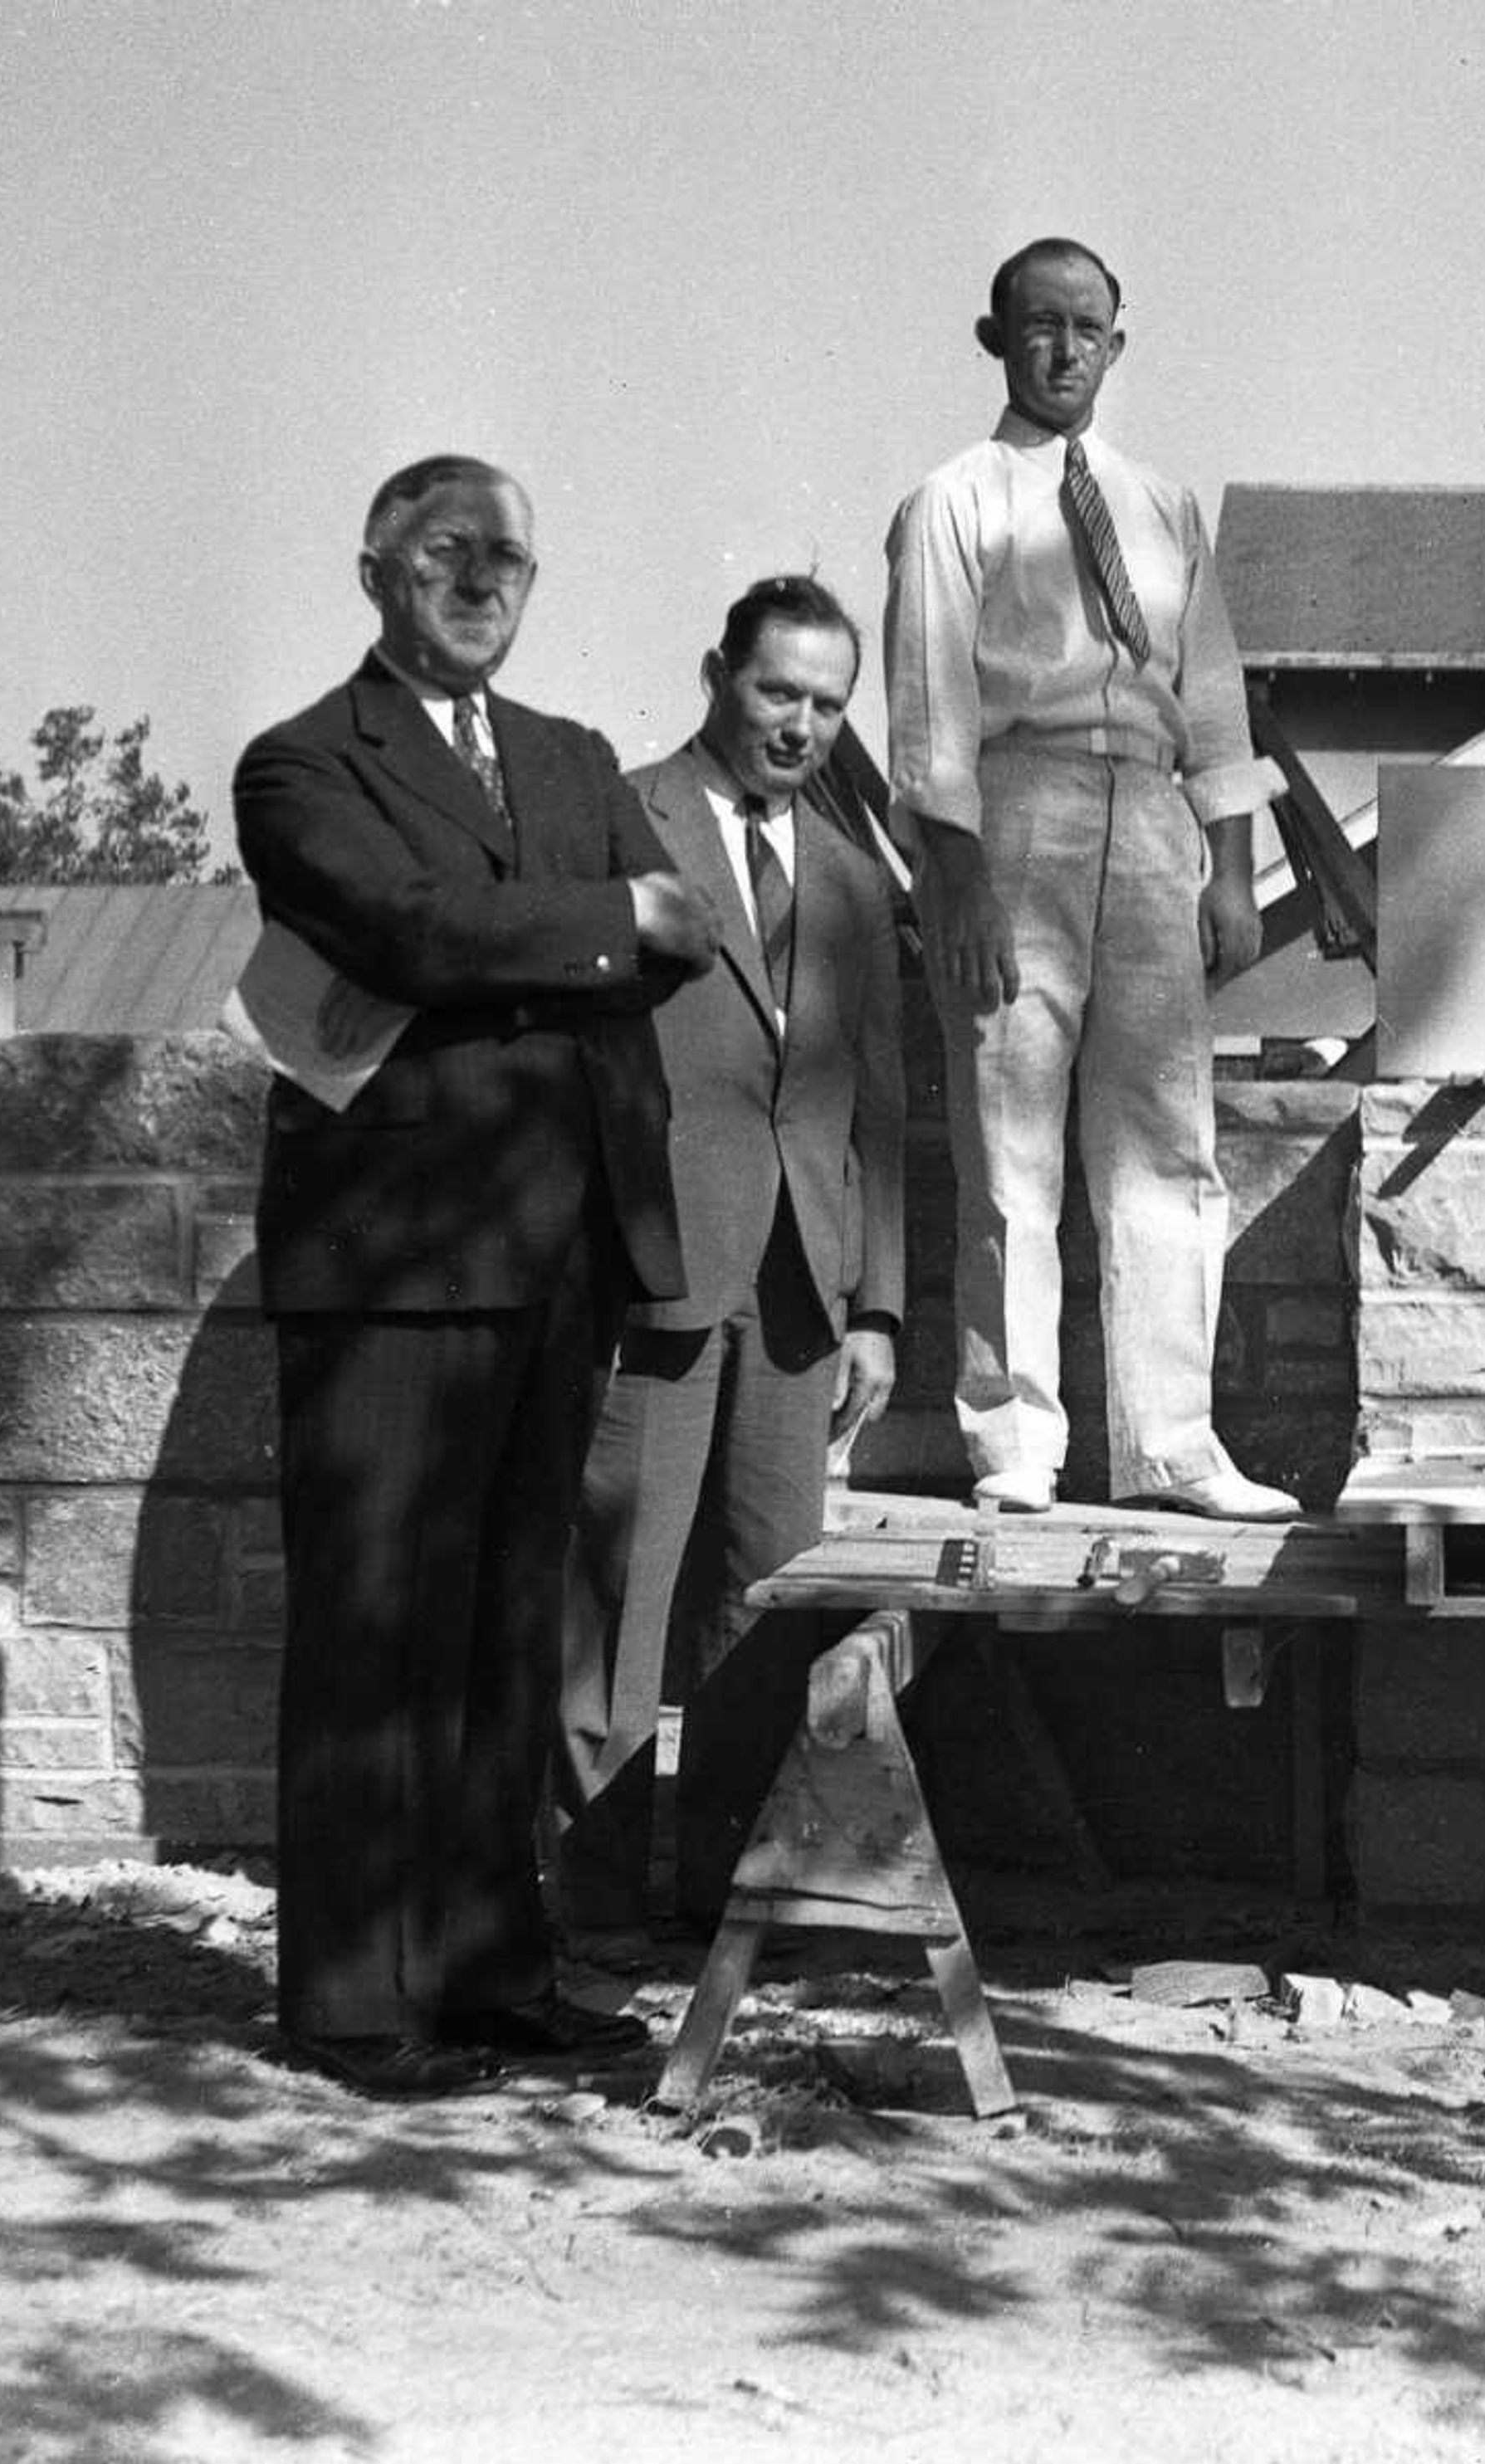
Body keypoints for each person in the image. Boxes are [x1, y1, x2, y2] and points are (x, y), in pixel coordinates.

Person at [234, 455, 719, 2096]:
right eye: (449, 549)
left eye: (510, 554)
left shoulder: (575, 757)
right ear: (375, 567)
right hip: (391, 1258)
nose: (483, 577)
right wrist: (585, 921)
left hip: (558, 1241)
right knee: (380, 1630)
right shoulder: (300, 765)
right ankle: (357, 2004)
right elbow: (403, 932)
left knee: (516, 1628)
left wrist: (515, 930)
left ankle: (492, 1968)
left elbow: (687, 932)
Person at [886, 234, 1296, 1521]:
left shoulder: (1164, 508)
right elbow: (930, 709)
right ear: (994, 339)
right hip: (1018, 811)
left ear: (1119, 344)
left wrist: (1229, 873)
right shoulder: (955, 501)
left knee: (1168, 1141)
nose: (1063, 350)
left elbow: (1215, 701)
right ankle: (1015, 1444)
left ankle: (1171, 1440)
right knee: (1010, 1146)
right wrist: (955, 887)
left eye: (1087, 329)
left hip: (1151, 814)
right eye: (1038, 326)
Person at [553, 576, 906, 1939]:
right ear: (717, 674)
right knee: (619, 1604)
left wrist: (876, 1303)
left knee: (766, 1614)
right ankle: (587, 1920)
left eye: (828, 704)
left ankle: (726, 1918)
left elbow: (878, 1099)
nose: (801, 725)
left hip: (801, 1299)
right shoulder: (618, 823)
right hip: (655, 1274)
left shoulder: (855, 878)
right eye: (778, 693)